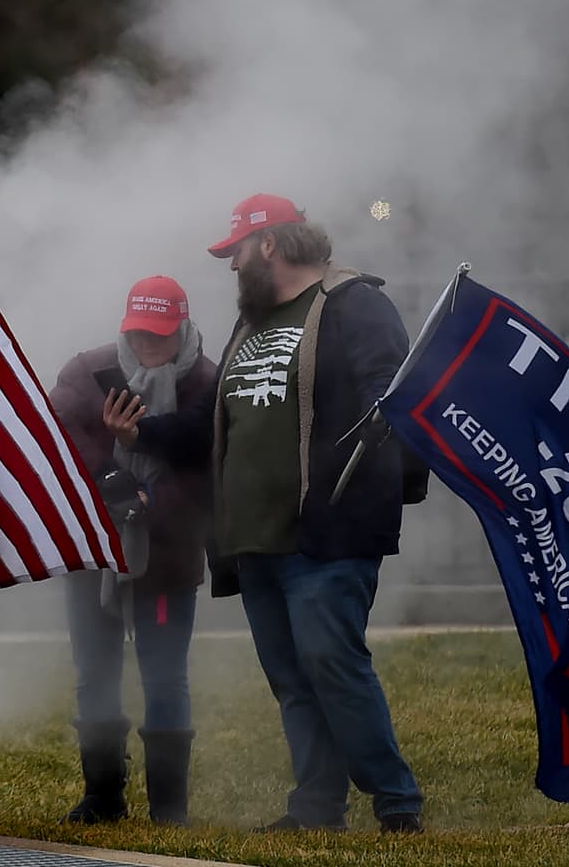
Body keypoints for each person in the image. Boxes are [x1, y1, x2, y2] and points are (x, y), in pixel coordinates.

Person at [103, 194, 428, 834]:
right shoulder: (250, 323)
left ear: (271, 245)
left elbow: (390, 399)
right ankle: (315, 808)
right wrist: (144, 436)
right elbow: (211, 422)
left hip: (327, 532)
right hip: (255, 542)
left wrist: (368, 451)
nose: (231, 266)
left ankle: (396, 803)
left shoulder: (356, 304)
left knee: (333, 665)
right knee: (291, 677)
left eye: (237, 252)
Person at [48, 276, 215, 826]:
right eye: (139, 333)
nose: (148, 344)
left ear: (183, 327)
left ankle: (170, 807)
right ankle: (103, 795)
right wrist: (111, 483)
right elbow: (58, 440)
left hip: (167, 557)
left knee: (165, 676)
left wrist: (151, 501)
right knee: (94, 672)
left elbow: (212, 470)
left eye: (160, 334)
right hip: (94, 550)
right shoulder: (85, 371)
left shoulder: (209, 382)